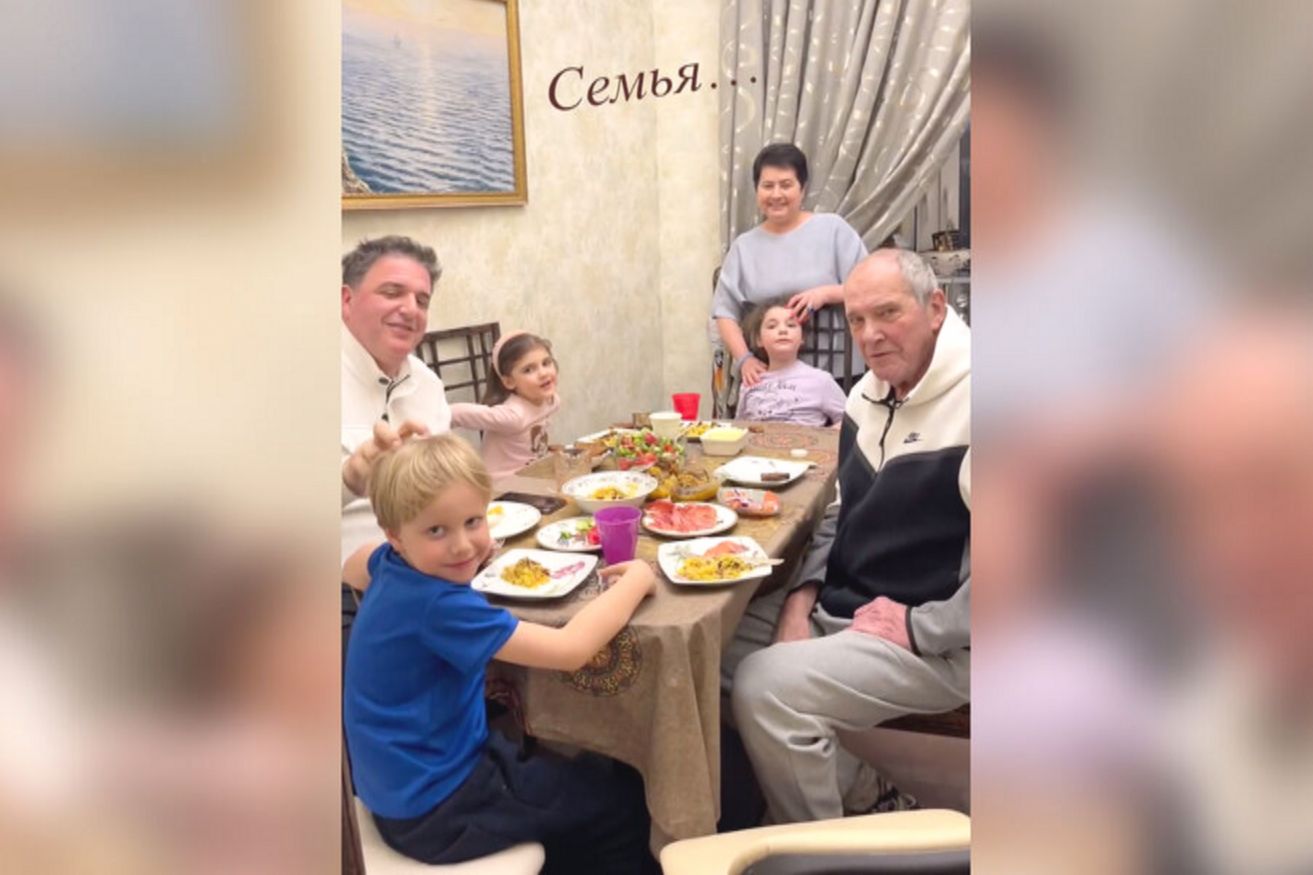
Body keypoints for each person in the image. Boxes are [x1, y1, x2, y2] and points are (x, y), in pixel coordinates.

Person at [726, 249, 971, 824]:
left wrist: (921, 626)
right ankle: (862, 796)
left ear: (936, 308)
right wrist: (800, 600)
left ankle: (821, 855)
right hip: (851, 604)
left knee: (765, 687)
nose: (870, 335)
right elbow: (839, 512)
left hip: (944, 638)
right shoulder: (866, 393)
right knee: (708, 648)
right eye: (857, 320)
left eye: (887, 313)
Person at [343, 434, 657, 871]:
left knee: (573, 779)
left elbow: (352, 565)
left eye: (473, 521)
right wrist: (638, 578)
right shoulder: (439, 607)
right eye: (437, 530)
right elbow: (571, 650)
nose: (462, 546)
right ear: (395, 535)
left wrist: (435, 547)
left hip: (395, 786)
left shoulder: (388, 562)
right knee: (620, 803)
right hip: (439, 808)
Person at [712, 143, 868, 390]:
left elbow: (869, 289)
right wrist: (744, 360)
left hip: (838, 373)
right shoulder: (744, 246)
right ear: (757, 190)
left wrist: (826, 293)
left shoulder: (833, 229)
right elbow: (724, 312)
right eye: (767, 186)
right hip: (770, 378)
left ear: (802, 189)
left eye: (786, 185)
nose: (776, 195)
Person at [341, 235, 452, 563]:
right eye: (392, 293)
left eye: (422, 301)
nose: (410, 309)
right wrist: (349, 479)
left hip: (430, 569)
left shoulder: (428, 385)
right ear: (346, 300)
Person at [450, 331, 559, 482]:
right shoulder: (512, 415)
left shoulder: (551, 401)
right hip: (503, 486)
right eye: (528, 370)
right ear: (509, 382)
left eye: (546, 363)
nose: (543, 373)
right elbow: (457, 412)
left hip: (532, 476)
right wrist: (431, 418)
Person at [737, 297, 848, 427]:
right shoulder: (750, 380)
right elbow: (739, 427)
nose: (783, 330)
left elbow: (851, 420)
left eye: (791, 325)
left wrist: (826, 435)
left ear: (802, 338)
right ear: (758, 340)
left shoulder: (821, 380)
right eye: (772, 326)